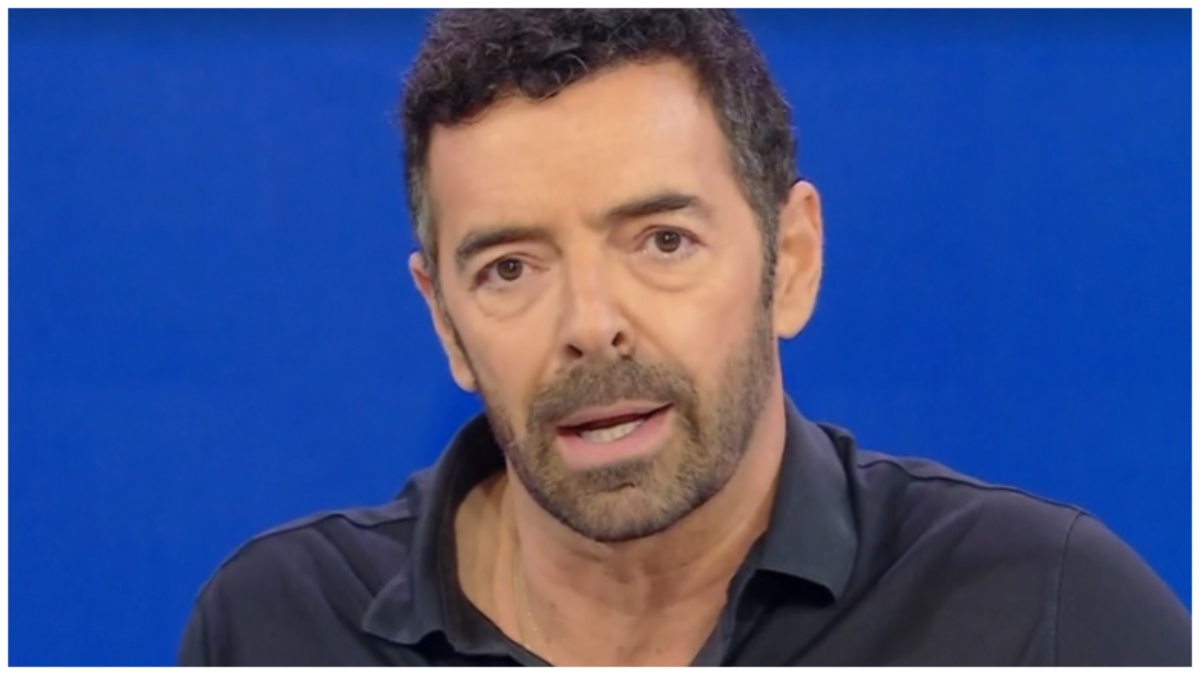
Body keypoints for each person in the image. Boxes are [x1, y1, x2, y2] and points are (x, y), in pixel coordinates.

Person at [178, 9, 1190, 667]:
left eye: (663, 240)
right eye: (511, 268)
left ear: (790, 261)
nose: (590, 326)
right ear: (445, 319)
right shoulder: (275, 628)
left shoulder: (1044, 617)